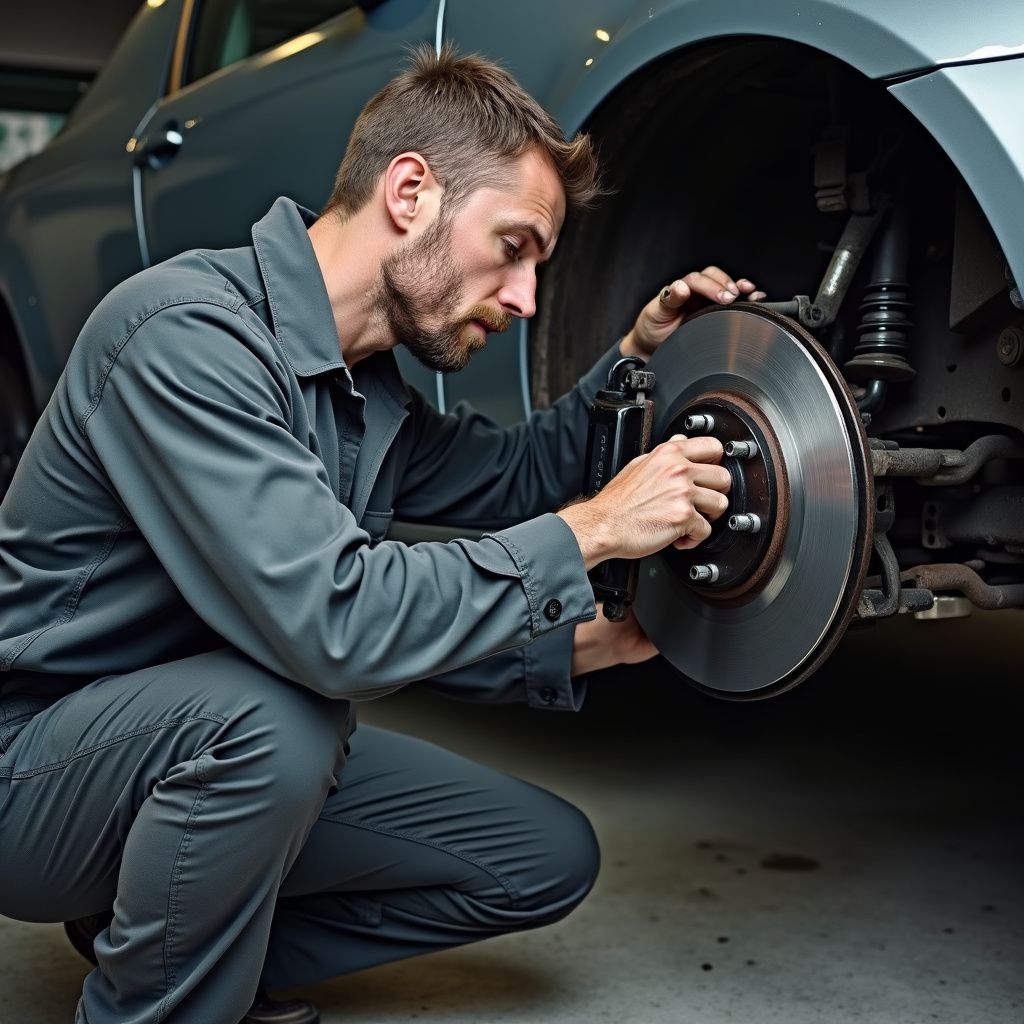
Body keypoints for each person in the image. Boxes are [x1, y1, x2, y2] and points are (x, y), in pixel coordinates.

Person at [0, 46, 761, 1024]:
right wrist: (595, 531)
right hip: (34, 777)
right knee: (281, 714)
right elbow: (334, 627)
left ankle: (166, 924)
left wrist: (632, 362)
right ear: (411, 192)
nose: (526, 298)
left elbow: (516, 478)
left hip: (194, 746)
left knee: (537, 857)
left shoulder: (371, 392)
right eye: (515, 245)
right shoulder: (185, 338)